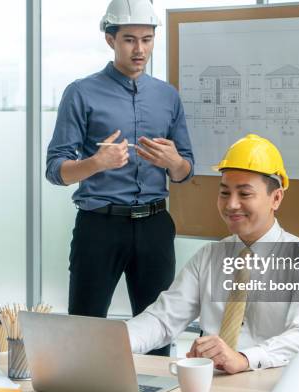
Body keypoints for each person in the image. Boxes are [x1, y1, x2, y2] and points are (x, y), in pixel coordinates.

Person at [45, 0, 194, 356]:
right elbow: (55, 170)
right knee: (85, 328)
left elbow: (186, 170)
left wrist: (174, 161)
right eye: (129, 39)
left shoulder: (168, 96)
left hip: (156, 226)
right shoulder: (80, 93)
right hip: (100, 226)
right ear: (110, 39)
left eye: (147, 39)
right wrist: (95, 163)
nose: (139, 49)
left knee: (158, 332)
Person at [127, 134, 299, 374]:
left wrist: (244, 358)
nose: (231, 205)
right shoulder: (209, 257)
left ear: (276, 198)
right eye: (224, 193)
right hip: (214, 381)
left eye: (244, 194)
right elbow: (162, 319)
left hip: (273, 382)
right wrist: (116, 342)